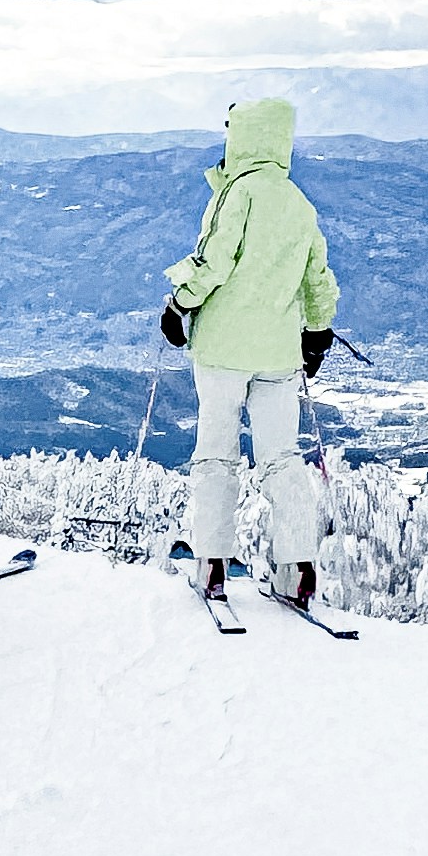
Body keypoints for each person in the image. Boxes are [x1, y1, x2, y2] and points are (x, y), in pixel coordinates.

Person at [159, 96, 339, 609]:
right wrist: (316, 333)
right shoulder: (298, 203)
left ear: (241, 136)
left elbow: (211, 264)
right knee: (282, 458)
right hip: (279, 354)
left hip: (222, 351)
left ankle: (211, 562)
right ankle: (297, 567)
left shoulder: (235, 195)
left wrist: (177, 304)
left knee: (217, 455)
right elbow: (318, 281)